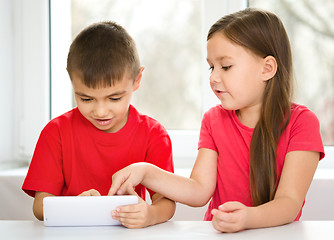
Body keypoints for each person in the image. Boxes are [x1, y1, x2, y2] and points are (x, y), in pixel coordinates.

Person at [108, 8, 325, 233]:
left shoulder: (302, 123)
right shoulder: (214, 120)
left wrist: (247, 218)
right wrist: (145, 171)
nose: (213, 77)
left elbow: (289, 203)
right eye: (212, 67)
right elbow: (198, 191)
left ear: (267, 68)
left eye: (226, 66)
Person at [22, 21, 175, 228]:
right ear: (71, 79)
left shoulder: (153, 134)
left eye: (114, 99)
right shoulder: (55, 133)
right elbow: (40, 207)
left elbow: (165, 202)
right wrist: (75, 207)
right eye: (86, 99)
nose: (101, 112)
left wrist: (150, 214)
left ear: (137, 79)